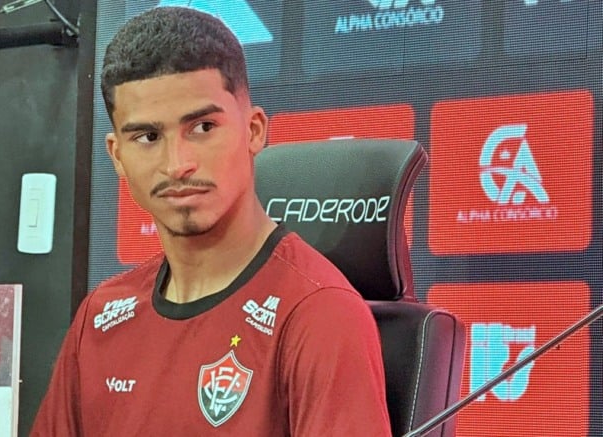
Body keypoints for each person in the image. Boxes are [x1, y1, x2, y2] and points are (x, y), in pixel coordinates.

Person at [31, 6, 391, 436]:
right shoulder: (101, 316)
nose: (176, 164)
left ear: (254, 130)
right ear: (118, 156)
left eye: (202, 127)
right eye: (148, 137)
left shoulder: (319, 313)